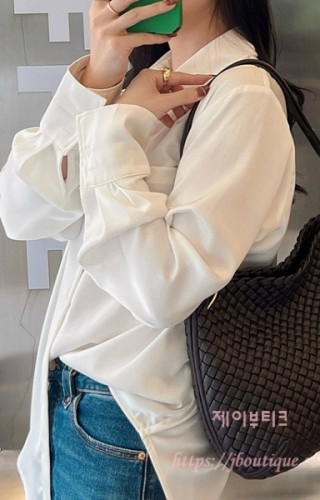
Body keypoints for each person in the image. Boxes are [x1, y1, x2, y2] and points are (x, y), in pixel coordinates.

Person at [0, 0, 300, 498]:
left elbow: (165, 290)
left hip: (128, 418)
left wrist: (113, 133)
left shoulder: (243, 93)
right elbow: (22, 212)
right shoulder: (146, 82)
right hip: (73, 397)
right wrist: (100, 79)